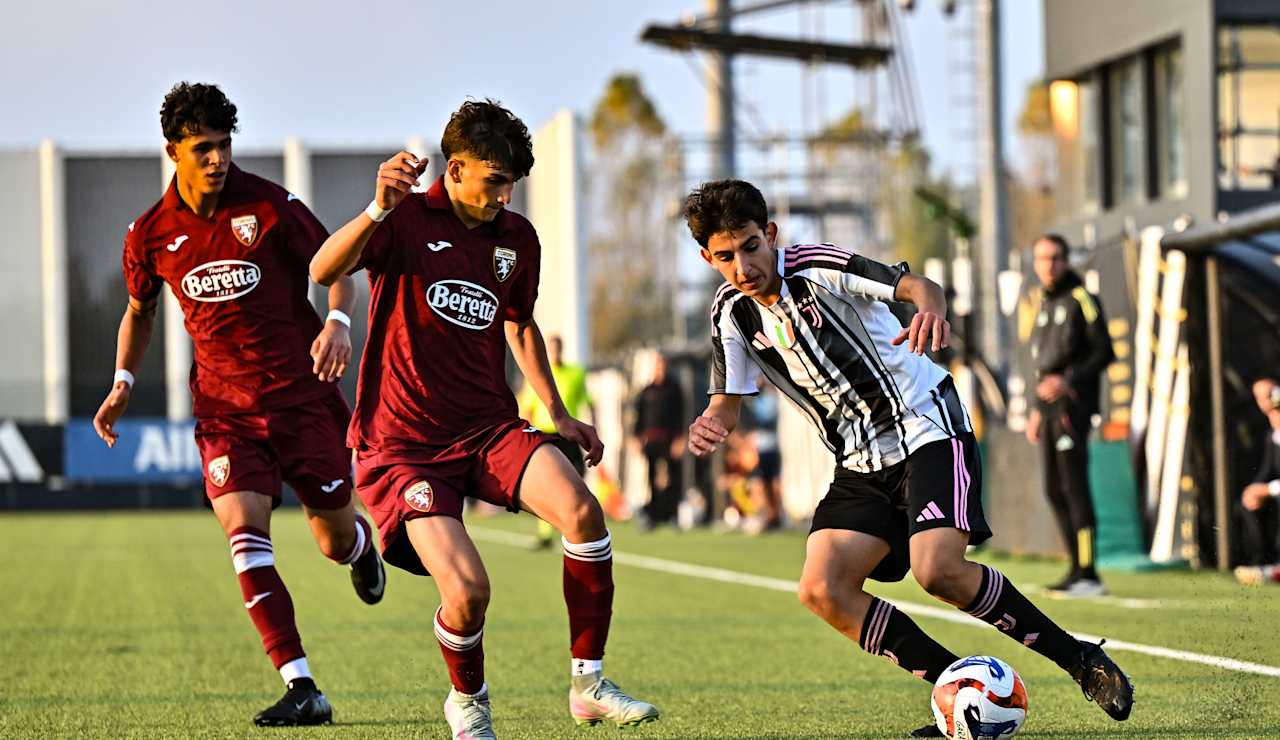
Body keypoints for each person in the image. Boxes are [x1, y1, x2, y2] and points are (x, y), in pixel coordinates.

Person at [681, 180, 1133, 738]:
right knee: (822, 590)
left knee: (938, 570)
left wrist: (931, 311)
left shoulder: (819, 266)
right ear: (708, 258)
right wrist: (712, 424)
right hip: (859, 460)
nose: (743, 264)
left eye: (751, 246)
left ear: (769, 235)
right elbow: (727, 405)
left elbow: (920, 285)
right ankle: (959, 694)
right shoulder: (730, 313)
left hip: (928, 427)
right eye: (726, 256)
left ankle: (1079, 660)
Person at [308, 99, 658, 739]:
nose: (503, 197)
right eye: (493, 181)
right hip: (403, 445)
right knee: (468, 592)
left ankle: (589, 684)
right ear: (456, 168)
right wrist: (378, 207)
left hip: (488, 427)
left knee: (583, 512)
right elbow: (323, 269)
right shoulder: (406, 218)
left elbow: (519, 324)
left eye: (511, 184)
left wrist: (559, 413)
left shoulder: (517, 239)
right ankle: (468, 703)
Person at [91, 82, 384, 727]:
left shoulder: (271, 206)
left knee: (331, 542)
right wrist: (122, 382)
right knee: (245, 537)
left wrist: (337, 321)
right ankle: (301, 685)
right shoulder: (150, 234)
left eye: (224, 145)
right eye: (203, 148)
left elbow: (337, 267)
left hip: (303, 400)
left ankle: (361, 545)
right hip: (224, 413)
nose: (218, 159)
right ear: (173, 151)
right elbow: (138, 313)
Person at [1025, 234, 1116, 597]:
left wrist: (1068, 381)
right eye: (1043, 258)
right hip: (1047, 412)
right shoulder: (1044, 305)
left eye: (1056, 258)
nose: (1049, 265)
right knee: (1053, 489)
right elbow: (1040, 366)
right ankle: (1075, 568)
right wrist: (1035, 411)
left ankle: (1089, 573)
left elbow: (1104, 352)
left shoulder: (1082, 299)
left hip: (1072, 408)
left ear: (1067, 261)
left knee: (1074, 487)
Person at [518, 334, 596, 548]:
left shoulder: (575, 373)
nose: (555, 353)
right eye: (551, 349)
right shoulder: (536, 374)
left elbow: (588, 401)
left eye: (558, 348)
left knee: (577, 477)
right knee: (547, 483)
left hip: (568, 435)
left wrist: (593, 427)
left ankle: (574, 522)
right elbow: (527, 407)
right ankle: (545, 533)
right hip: (545, 434)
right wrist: (528, 434)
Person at [1234, 378, 1280, 585]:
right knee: (1248, 503)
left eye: (1271, 393)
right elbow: (1266, 472)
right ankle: (1265, 563)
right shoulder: (1271, 436)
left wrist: (1268, 490)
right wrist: (1254, 491)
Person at [632, 355, 686, 528]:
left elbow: (683, 415)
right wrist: (636, 438)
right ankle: (653, 516)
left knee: (673, 476)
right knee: (652, 477)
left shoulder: (674, 389)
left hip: (670, 440)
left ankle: (672, 514)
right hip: (651, 441)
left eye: (663, 365)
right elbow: (638, 417)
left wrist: (681, 438)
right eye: (657, 366)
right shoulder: (647, 391)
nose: (660, 369)